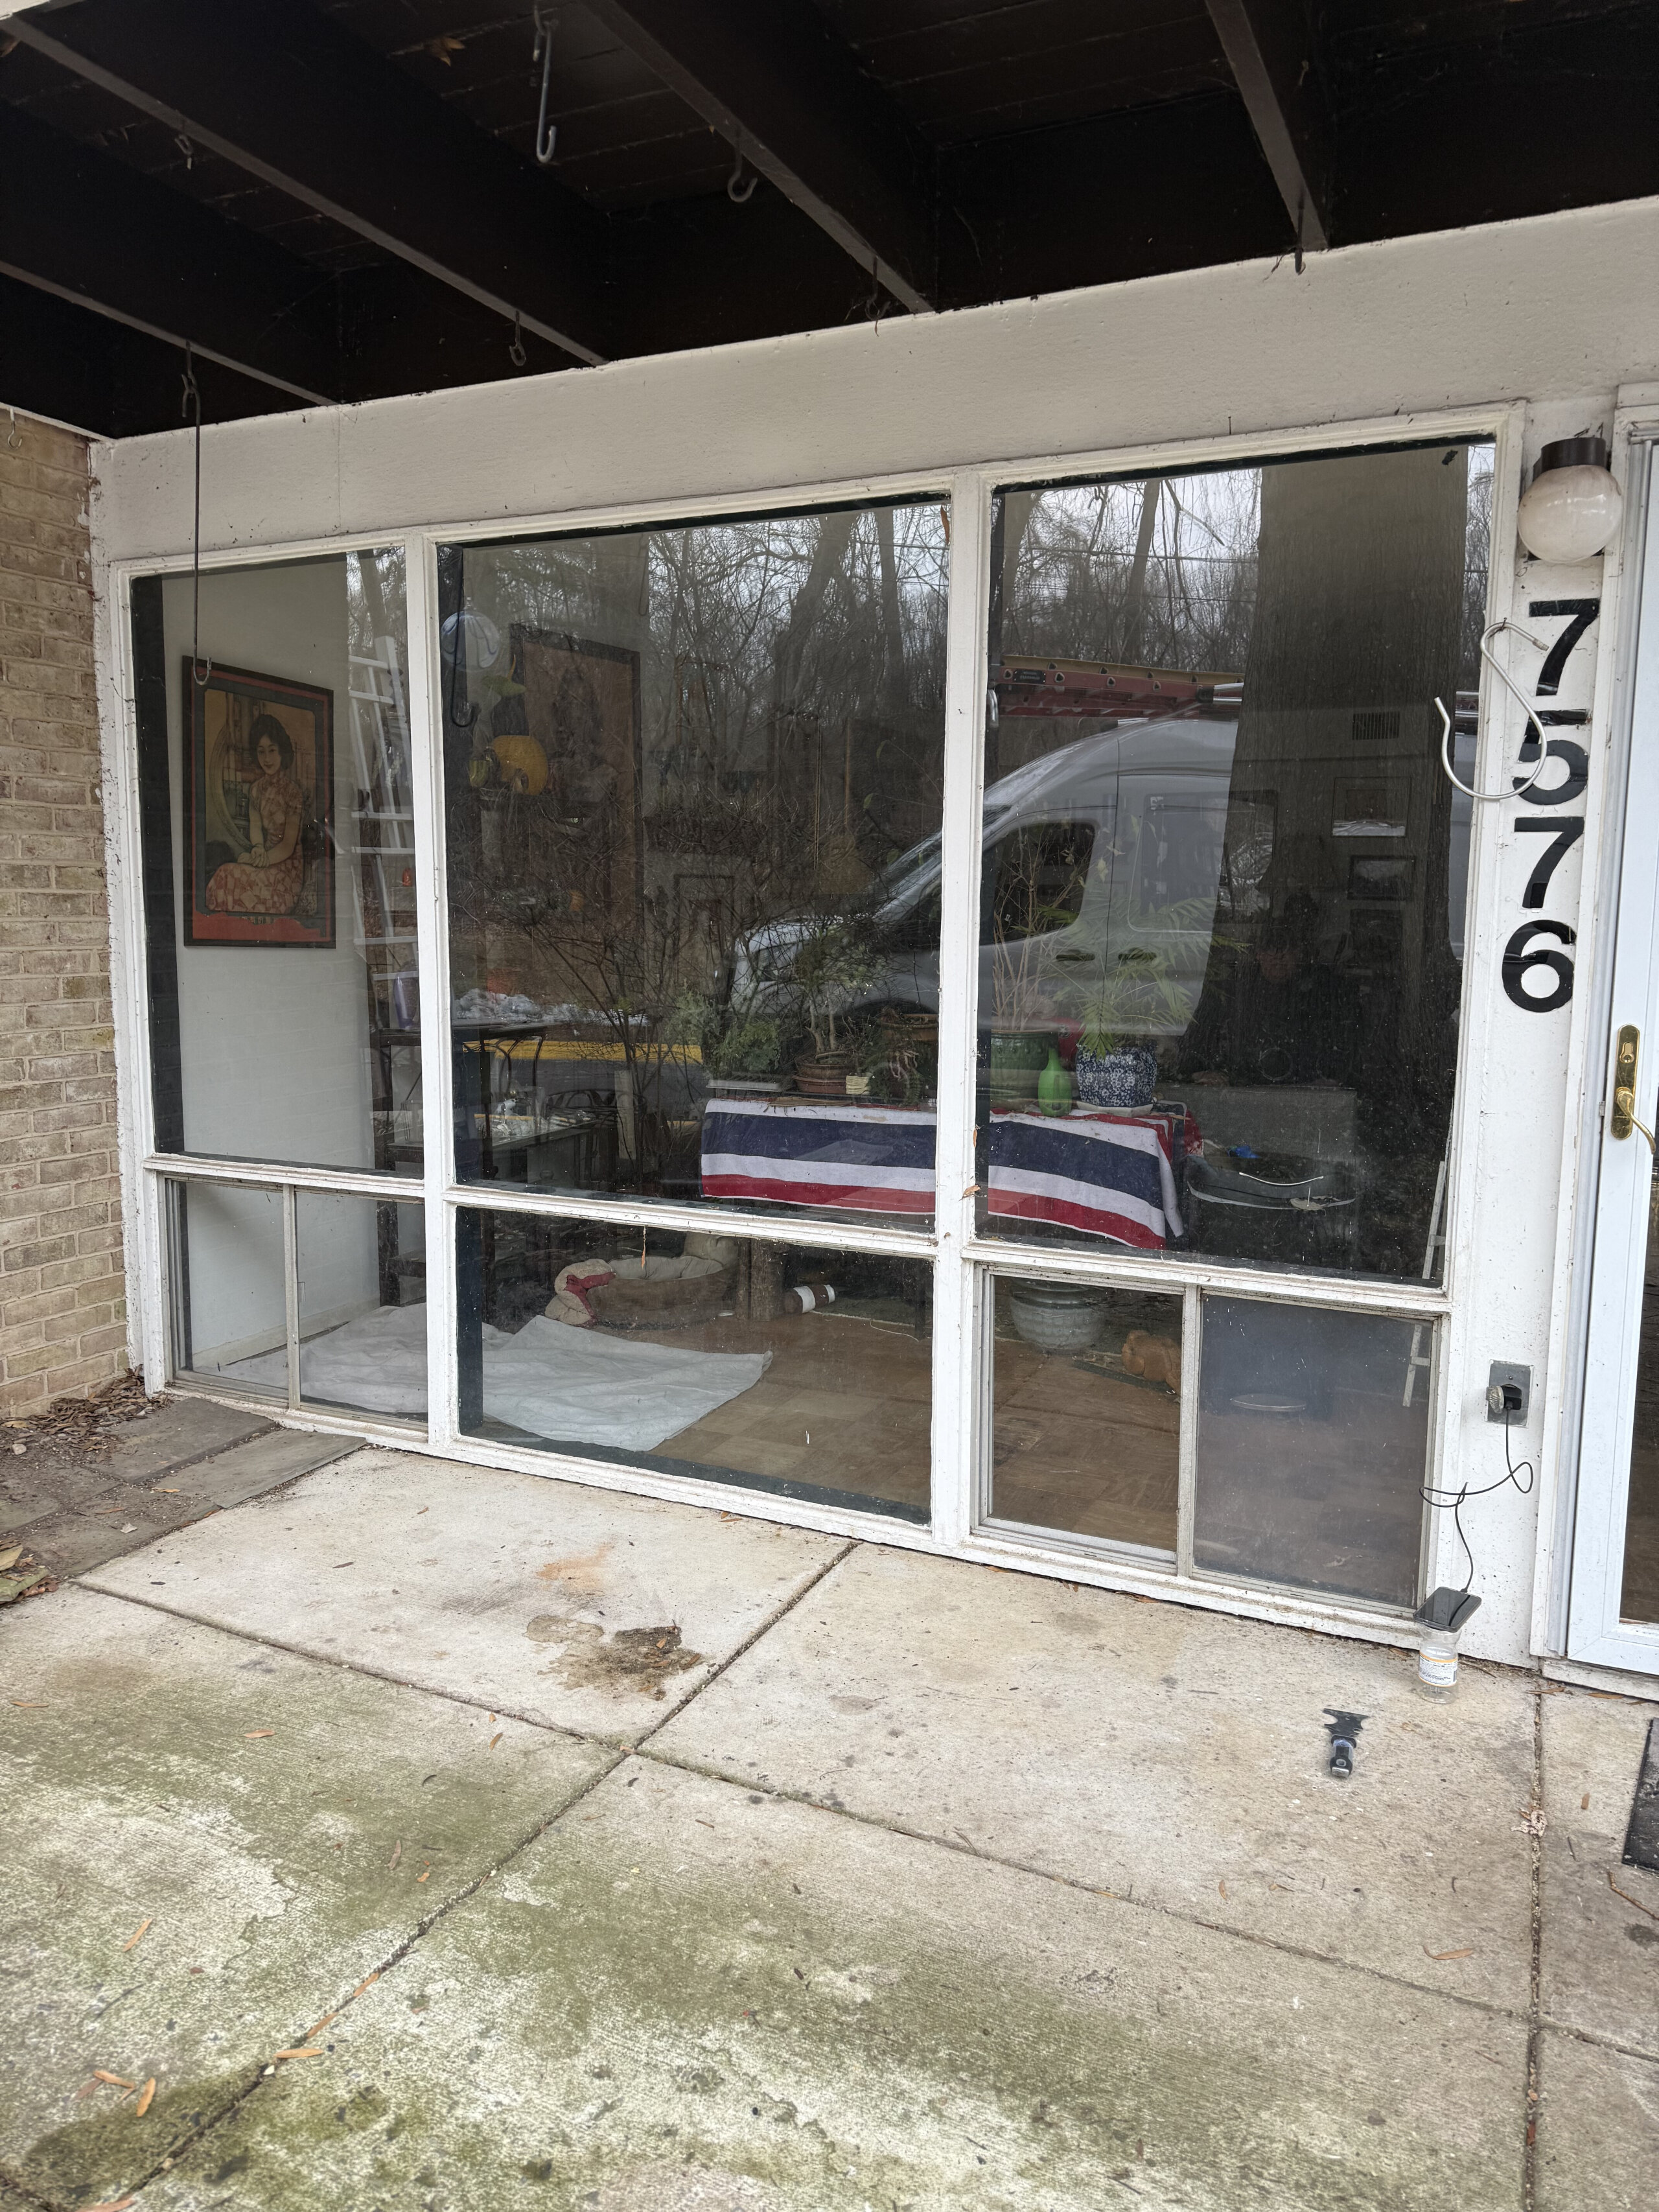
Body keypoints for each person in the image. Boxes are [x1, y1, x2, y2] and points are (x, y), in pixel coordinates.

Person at [205, 714, 308, 916]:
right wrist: (258, 848)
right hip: (265, 859)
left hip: (286, 870)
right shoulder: (256, 790)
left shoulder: (293, 793)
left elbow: (288, 846)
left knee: (232, 875)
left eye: (272, 751)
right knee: (224, 874)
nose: (267, 759)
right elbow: (255, 827)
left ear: (282, 752)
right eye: (261, 752)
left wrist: (258, 861)